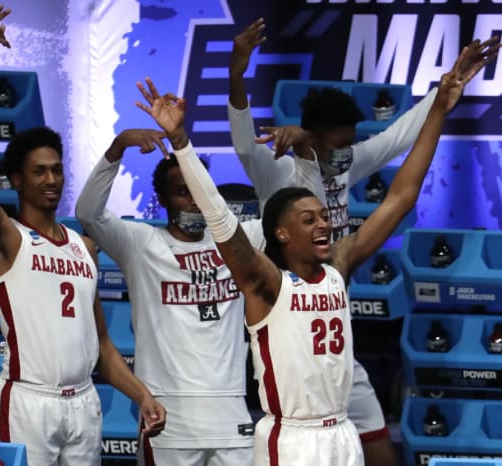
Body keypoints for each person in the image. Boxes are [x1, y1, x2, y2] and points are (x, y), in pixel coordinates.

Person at [134, 37, 494, 464]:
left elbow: (402, 196)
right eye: (309, 220)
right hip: (293, 440)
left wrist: (439, 106)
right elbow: (217, 215)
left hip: (341, 432)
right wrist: (180, 142)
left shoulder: (339, 265)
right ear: (281, 234)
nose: (324, 223)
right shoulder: (263, 281)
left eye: (324, 216)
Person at [229, 18, 501, 466]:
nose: (346, 155)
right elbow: (243, 142)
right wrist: (237, 75)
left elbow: (399, 151)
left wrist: (442, 93)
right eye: (335, 146)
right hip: (291, 336)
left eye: (348, 147)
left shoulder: (345, 169)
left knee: (379, 454)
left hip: (337, 341)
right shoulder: (277, 172)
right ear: (309, 135)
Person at [0, 7, 165, 466]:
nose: (51, 179)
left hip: (84, 403)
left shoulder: (83, 246)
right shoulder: (3, 239)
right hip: (29, 402)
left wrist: (140, 394)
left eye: (56, 169)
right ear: (15, 180)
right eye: (39, 172)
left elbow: (104, 349)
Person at [76, 128, 274, 465]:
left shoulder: (240, 241)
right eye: (183, 192)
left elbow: (287, 210)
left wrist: (300, 151)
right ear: (163, 198)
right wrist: (118, 146)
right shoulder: (140, 243)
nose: (194, 200)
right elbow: (87, 212)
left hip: (231, 409)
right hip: (167, 411)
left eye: (198, 189)